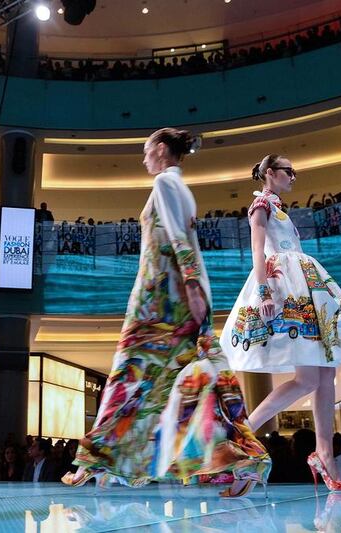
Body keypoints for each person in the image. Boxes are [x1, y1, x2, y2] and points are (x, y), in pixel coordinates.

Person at [63, 128, 270, 498]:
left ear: (160, 149)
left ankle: (94, 460)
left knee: (130, 377)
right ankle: (239, 460)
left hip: (160, 302)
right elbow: (183, 239)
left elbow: (179, 238)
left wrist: (190, 286)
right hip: (176, 297)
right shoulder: (178, 187)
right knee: (198, 381)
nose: (143, 159)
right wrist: (194, 289)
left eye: (145, 151)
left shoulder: (165, 184)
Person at [220, 154, 341, 491]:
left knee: (326, 372)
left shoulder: (278, 208)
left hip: (304, 283)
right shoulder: (261, 204)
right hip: (286, 286)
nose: (294, 177)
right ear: (272, 174)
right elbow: (258, 251)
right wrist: (264, 293)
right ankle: (242, 433)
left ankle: (324, 454)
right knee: (309, 378)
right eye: (289, 171)